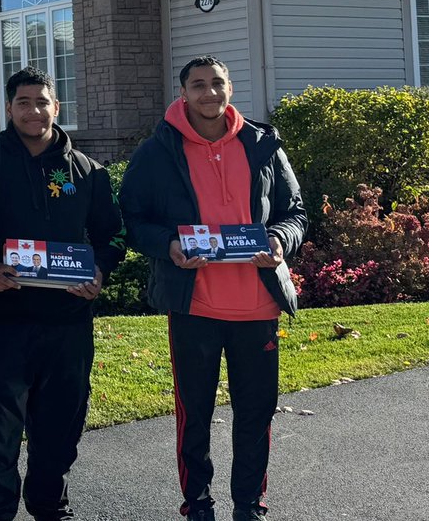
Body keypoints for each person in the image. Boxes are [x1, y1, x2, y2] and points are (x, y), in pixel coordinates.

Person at [120, 55, 306, 521]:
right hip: (194, 305)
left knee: (256, 414)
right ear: (182, 93)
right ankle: (198, 504)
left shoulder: (263, 144)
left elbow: (296, 211)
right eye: (198, 85)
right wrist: (168, 246)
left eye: (217, 83)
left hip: (257, 304)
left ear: (230, 89)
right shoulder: (157, 150)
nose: (209, 93)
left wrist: (281, 240)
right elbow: (134, 218)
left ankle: (249, 504)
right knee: (194, 415)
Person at [0, 66, 124, 521]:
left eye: (42, 101)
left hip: (66, 323)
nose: (33, 110)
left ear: (57, 106)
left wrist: (101, 271)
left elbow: (113, 236)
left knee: (60, 425)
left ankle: (51, 506)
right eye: (23, 102)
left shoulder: (87, 172)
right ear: (9, 108)